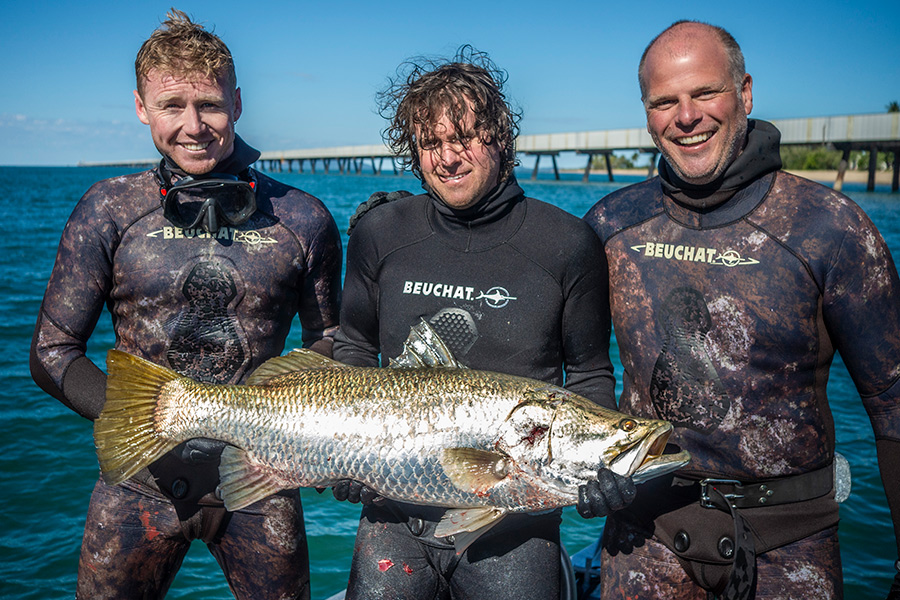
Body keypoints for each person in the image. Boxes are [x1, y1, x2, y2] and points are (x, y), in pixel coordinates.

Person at [29, 10, 342, 599]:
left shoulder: (302, 219)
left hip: (261, 478)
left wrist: (307, 439)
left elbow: (330, 342)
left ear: (238, 103)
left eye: (211, 105)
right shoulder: (108, 209)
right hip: (138, 484)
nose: (193, 126)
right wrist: (142, 424)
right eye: (172, 105)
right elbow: (52, 352)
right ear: (141, 107)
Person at [583, 20, 900, 600]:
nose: (686, 116)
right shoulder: (610, 225)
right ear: (647, 113)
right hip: (645, 537)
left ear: (745, 93)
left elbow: (892, 401)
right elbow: (577, 366)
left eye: (706, 93)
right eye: (664, 102)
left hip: (789, 543)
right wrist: (582, 467)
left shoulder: (828, 227)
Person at [331, 46, 635, 600]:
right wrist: (345, 451)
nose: (448, 158)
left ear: (500, 137)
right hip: (392, 510)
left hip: (515, 524)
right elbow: (353, 346)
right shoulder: (380, 232)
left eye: (465, 137)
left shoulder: (567, 244)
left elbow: (590, 373)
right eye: (430, 143)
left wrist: (601, 463)